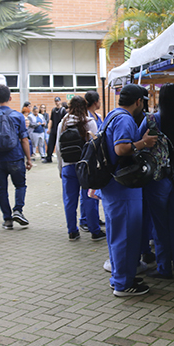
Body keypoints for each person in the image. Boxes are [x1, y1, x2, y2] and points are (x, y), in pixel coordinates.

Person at [101, 84, 157, 297]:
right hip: (122, 186)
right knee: (125, 235)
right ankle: (123, 285)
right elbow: (121, 148)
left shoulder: (112, 115)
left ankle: (119, 277)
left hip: (112, 187)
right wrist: (143, 143)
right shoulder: (124, 119)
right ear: (138, 102)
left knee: (117, 235)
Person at [139, 83, 174, 280]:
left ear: (160, 99)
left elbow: (141, 145)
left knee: (161, 225)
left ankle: (164, 268)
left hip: (158, 179)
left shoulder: (151, 120)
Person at [55, 96, 106, 242]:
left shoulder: (62, 123)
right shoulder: (89, 122)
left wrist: (60, 168)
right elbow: (96, 146)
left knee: (69, 200)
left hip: (68, 166)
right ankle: (94, 231)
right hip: (85, 167)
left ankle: (72, 231)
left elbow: (58, 149)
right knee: (89, 198)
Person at [0, 85, 32, 230]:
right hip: (15, 157)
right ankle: (18, 210)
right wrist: (28, 159)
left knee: (1, 189)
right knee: (20, 185)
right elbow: (24, 139)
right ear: (10, 98)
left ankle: (7, 220)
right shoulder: (17, 116)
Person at [78, 91, 104, 233]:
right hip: (88, 156)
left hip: (96, 156)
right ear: (95, 102)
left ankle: (94, 217)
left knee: (94, 190)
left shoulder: (97, 116)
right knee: (86, 191)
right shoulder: (86, 118)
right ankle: (84, 219)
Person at [45, 97, 66, 163]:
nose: (57, 102)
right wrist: (49, 129)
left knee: (60, 144)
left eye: (58, 101)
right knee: (50, 143)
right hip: (54, 129)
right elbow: (52, 120)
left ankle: (62, 158)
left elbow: (64, 120)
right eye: (56, 101)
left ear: (60, 101)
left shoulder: (63, 110)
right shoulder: (54, 110)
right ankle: (48, 157)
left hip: (60, 129)